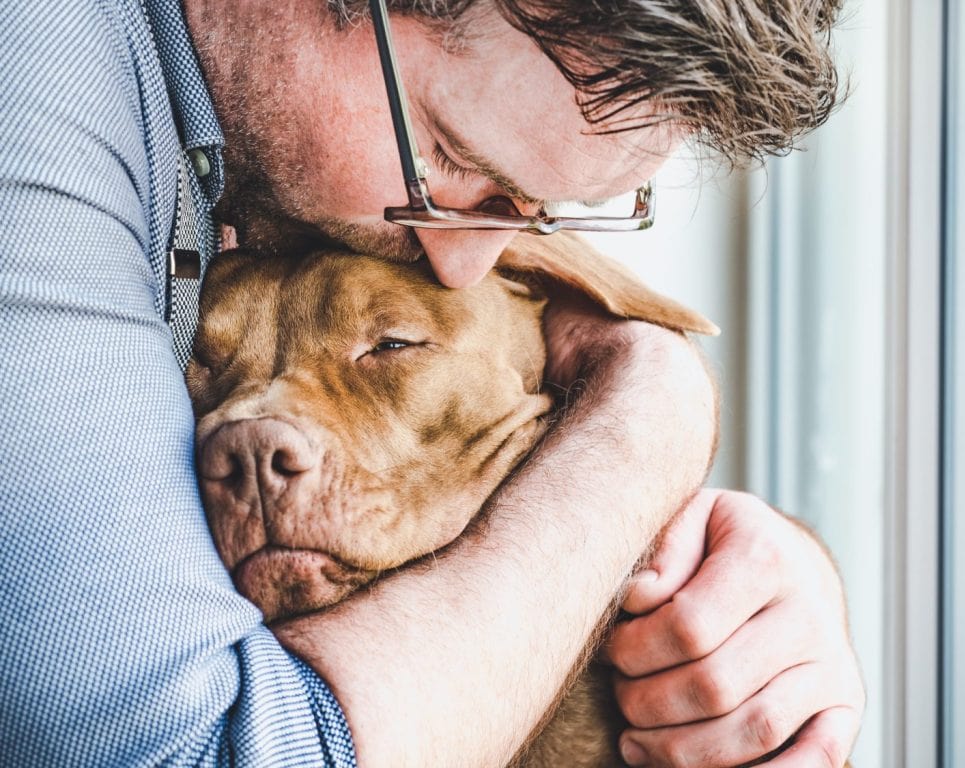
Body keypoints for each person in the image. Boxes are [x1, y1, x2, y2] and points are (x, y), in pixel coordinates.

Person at [0, 0, 864, 765]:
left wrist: (747, 604)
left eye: (531, 211)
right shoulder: (36, 88)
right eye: (449, 158)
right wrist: (651, 417)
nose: (465, 260)